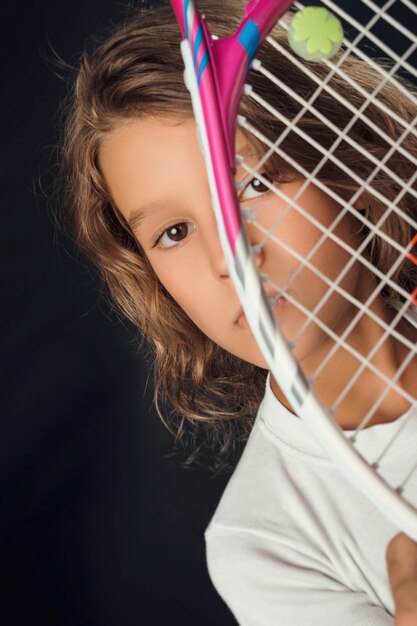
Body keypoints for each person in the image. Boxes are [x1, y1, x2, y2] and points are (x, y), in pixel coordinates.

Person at [55, 0, 417, 623]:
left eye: (254, 183)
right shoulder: (265, 543)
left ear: (345, 164)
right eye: (174, 232)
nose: (233, 257)